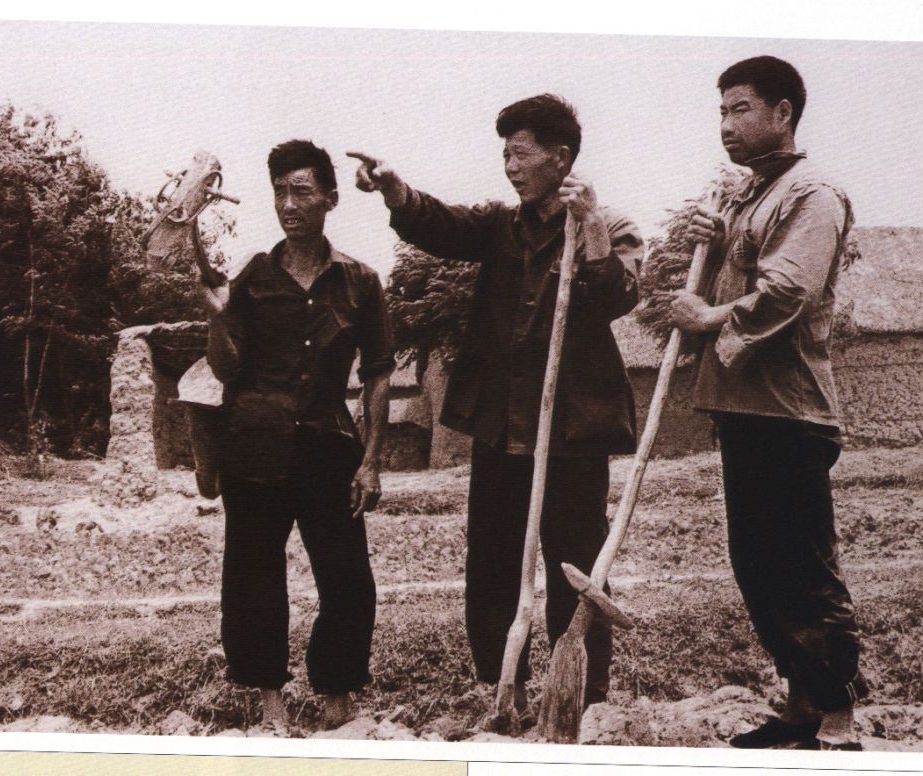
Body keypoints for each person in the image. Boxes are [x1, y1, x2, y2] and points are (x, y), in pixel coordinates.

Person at [348, 94, 643, 720]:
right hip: (501, 426)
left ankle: (581, 695)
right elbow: (441, 225)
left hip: (570, 431)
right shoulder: (500, 225)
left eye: (521, 154)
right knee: (492, 561)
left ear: (560, 158)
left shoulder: (609, 225)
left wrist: (590, 227)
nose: (510, 167)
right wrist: (396, 190)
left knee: (576, 561)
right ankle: (502, 687)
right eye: (505, 154)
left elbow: (616, 298)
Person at [669, 56, 867, 750]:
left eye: (741, 109)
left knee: (802, 565)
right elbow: (743, 277)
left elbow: (788, 290)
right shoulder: (749, 199)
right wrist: (717, 243)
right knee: (757, 564)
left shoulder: (812, 194)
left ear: (783, 113)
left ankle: (837, 713)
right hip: (746, 408)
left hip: (791, 411)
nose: (727, 124)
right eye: (721, 112)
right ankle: (799, 705)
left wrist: (706, 317)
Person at [199, 139, 394, 732]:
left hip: (328, 448)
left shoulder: (360, 282)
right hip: (253, 447)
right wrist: (216, 316)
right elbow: (225, 369)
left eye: (301, 191)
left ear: (330, 199)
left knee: (348, 579)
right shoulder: (251, 278)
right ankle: (270, 705)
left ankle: (337, 700)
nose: (288, 204)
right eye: (280, 192)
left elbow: (378, 373)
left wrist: (370, 461)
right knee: (254, 577)